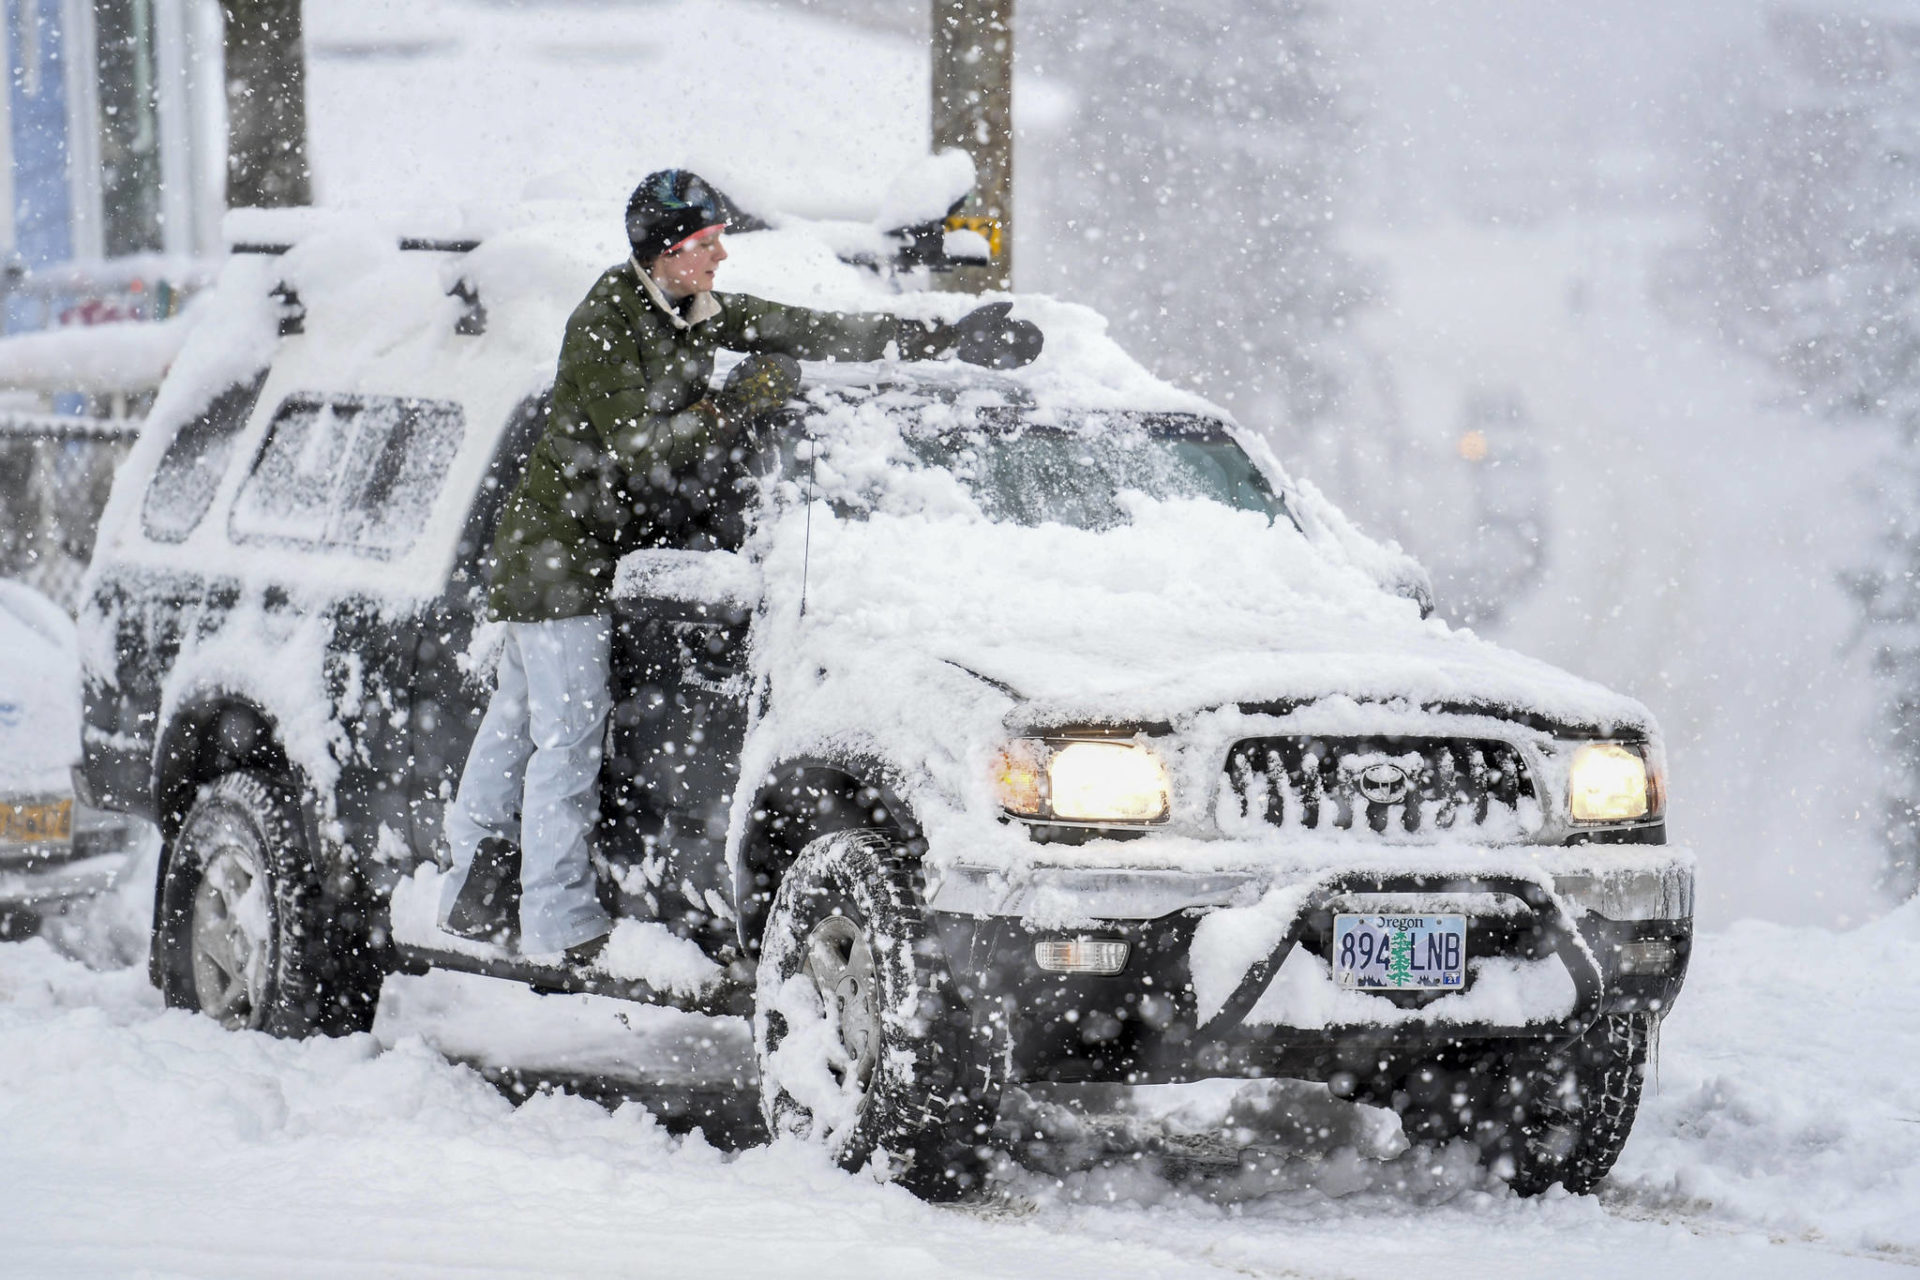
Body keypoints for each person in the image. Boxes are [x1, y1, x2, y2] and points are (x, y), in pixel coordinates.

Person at [439, 170, 1041, 963]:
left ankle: (468, 889)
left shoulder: (692, 309)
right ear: (666, 254)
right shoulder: (606, 322)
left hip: (568, 551)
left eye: (720, 241)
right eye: (706, 245)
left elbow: (807, 329)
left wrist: (943, 338)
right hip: (560, 559)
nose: (721, 257)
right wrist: (734, 403)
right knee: (568, 740)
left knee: (516, 727)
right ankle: (557, 920)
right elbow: (633, 450)